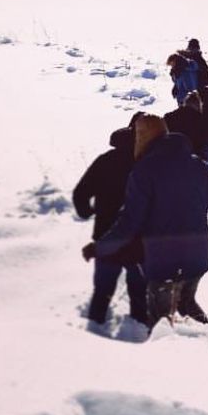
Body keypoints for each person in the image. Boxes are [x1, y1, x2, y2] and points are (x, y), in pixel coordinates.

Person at [84, 114, 208, 327]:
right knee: (186, 302)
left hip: (164, 261)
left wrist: (99, 248)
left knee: (160, 324)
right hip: (197, 257)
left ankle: (175, 354)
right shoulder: (200, 167)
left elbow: (129, 223)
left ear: (142, 137)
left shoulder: (144, 171)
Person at [73, 114, 148, 326]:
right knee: (139, 292)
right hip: (138, 240)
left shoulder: (105, 160)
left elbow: (81, 192)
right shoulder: (147, 163)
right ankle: (138, 332)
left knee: (103, 291)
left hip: (105, 237)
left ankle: (95, 328)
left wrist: (87, 212)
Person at [164, 90, 208, 159]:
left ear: (185, 102)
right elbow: (204, 143)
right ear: (198, 105)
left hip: (173, 155)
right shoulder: (202, 120)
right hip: (192, 157)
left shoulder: (170, 116)